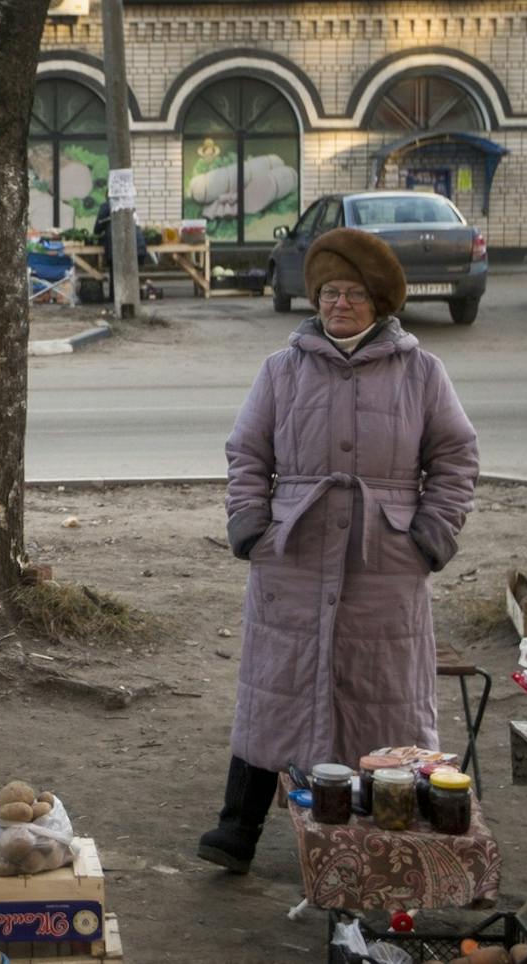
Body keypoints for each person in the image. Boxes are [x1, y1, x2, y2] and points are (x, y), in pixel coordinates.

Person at [200, 227, 479, 875]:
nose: (339, 304)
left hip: (384, 562)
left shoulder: (421, 372)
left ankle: (376, 833)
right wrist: (251, 525)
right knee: (274, 687)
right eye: (329, 292)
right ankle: (236, 828)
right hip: (292, 557)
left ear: (379, 302)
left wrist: (429, 537)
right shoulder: (281, 369)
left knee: (382, 695)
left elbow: (456, 456)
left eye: (354, 293)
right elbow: (247, 451)